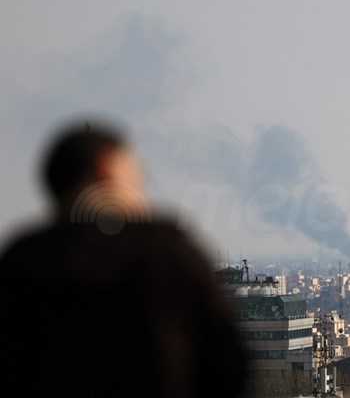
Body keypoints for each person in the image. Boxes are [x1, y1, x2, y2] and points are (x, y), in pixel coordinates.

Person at [0, 120, 247, 397]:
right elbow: (227, 362)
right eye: (136, 176)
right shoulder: (165, 251)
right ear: (107, 173)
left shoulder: (23, 258)